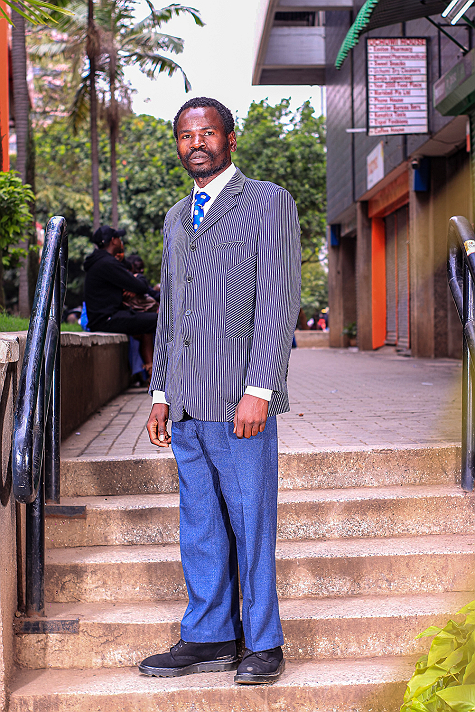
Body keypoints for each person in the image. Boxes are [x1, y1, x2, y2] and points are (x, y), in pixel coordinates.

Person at [140, 97, 301, 685]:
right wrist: (160, 392)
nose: (197, 144)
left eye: (207, 133)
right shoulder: (175, 217)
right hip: (185, 402)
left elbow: (278, 298)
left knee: (251, 523)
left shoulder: (267, 201)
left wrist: (261, 388)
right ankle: (210, 636)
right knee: (201, 525)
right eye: (186, 136)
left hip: (239, 399)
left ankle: (263, 642)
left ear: (230, 139)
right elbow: (170, 314)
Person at [83, 225, 157, 374]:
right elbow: (141, 287)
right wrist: (138, 278)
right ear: (113, 241)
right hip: (108, 319)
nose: (121, 241)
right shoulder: (107, 263)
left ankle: (152, 372)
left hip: (104, 318)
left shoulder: (99, 261)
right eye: (119, 238)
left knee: (150, 321)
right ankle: (164, 372)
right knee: (162, 320)